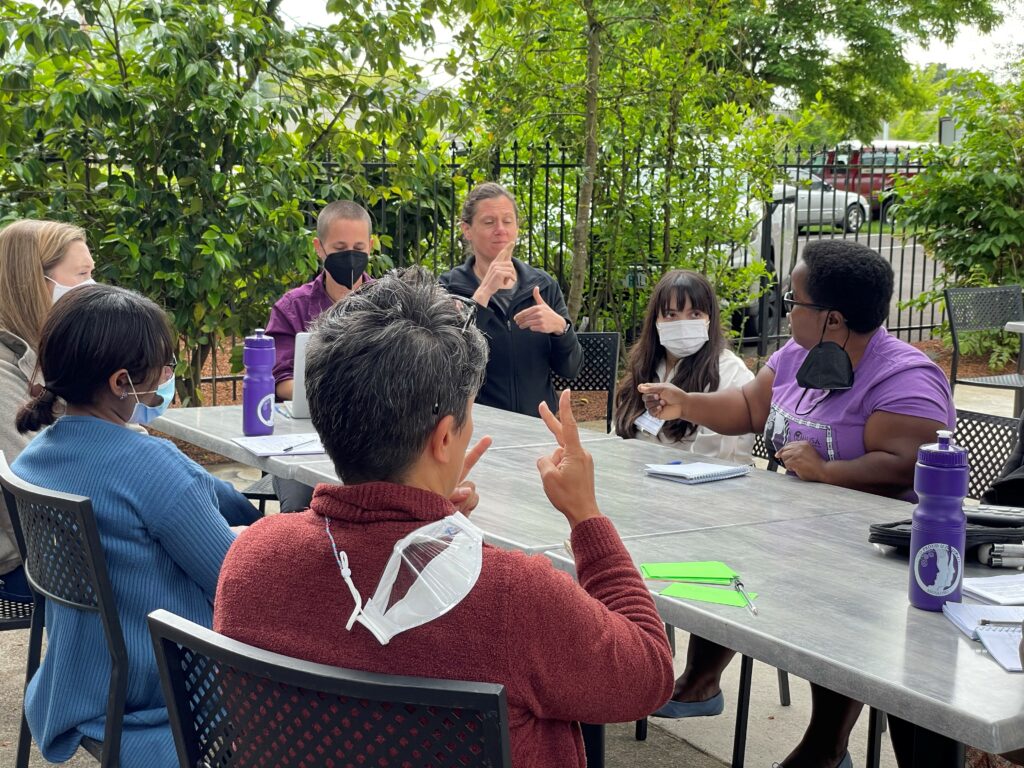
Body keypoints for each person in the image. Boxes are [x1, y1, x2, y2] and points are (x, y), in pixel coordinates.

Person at [214, 267, 675, 767]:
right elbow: (648, 673)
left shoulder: (251, 560)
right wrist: (587, 518)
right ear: (443, 439)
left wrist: (424, 522)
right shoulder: (516, 598)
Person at [639, 240, 955, 768]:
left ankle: (826, 747)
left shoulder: (904, 377)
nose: (787, 310)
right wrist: (686, 402)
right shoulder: (797, 356)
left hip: (871, 552)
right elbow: (748, 406)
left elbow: (906, 463)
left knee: (831, 596)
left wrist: (828, 472)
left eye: (795, 300)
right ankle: (701, 680)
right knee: (720, 548)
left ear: (832, 319)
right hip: (797, 529)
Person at [11, 284, 242, 767]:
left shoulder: (37, 456)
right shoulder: (150, 466)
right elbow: (234, 582)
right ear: (121, 383)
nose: (168, 376)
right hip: (170, 681)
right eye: (165, 367)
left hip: (86, 671)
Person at [0, 219, 95, 603]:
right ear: (35, 285)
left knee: (217, 501)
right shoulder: (7, 371)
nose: (94, 286)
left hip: (70, 539)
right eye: (84, 274)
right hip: (36, 561)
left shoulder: (49, 352)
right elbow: (37, 484)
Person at [264, 200, 374, 511]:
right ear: (319, 248)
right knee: (300, 498)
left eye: (358, 246)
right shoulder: (292, 308)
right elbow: (281, 381)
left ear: (371, 246)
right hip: (304, 440)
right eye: (339, 247)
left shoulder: (390, 304)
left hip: (376, 438)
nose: (350, 256)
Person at [440, 182, 583, 416]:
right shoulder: (448, 287)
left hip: (538, 425)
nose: (500, 229)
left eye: (507, 221)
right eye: (489, 222)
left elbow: (571, 369)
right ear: (467, 230)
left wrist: (561, 329)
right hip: (476, 426)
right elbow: (447, 365)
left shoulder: (543, 286)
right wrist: (481, 296)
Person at [614, 269, 754, 463]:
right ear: (656, 321)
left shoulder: (728, 371)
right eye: (671, 315)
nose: (682, 324)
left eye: (695, 314)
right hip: (641, 478)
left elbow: (712, 458)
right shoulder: (646, 365)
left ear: (709, 318)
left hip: (705, 485)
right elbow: (619, 435)